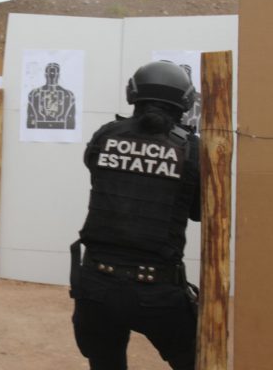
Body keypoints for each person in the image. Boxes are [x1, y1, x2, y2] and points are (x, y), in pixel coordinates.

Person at [70, 60, 201, 370]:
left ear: (134, 94)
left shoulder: (106, 135)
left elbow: (100, 177)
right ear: (184, 102)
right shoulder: (190, 149)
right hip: (157, 290)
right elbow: (198, 211)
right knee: (195, 361)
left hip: (97, 286)